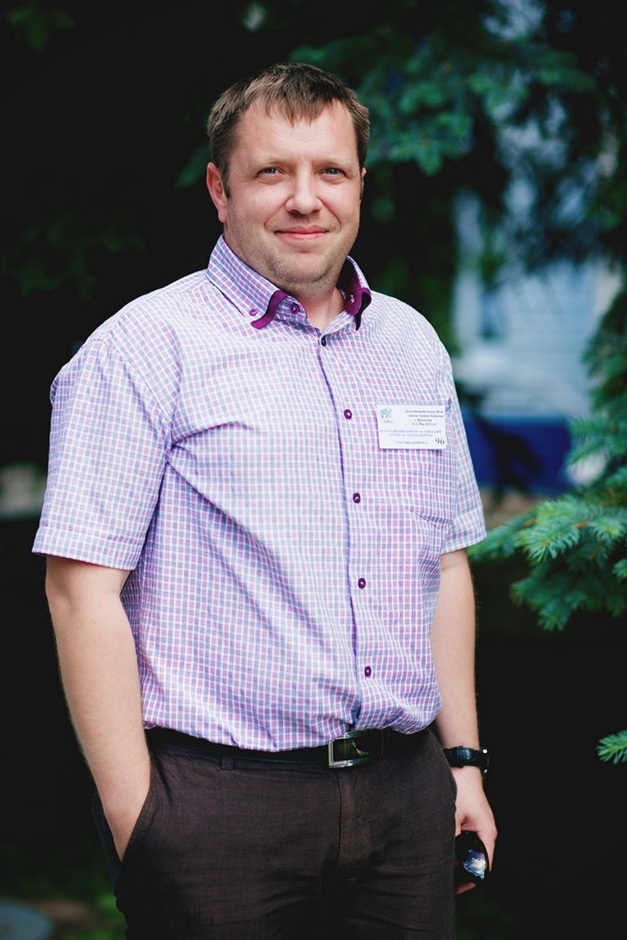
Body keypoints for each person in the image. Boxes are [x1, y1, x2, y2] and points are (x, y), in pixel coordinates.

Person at [33, 61, 497, 939]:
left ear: (360, 185)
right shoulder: (143, 346)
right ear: (220, 189)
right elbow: (79, 591)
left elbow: (443, 564)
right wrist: (141, 819)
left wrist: (461, 764)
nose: (304, 198)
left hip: (406, 801)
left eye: (330, 171)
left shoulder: (410, 343)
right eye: (271, 172)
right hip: (217, 809)